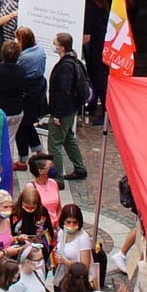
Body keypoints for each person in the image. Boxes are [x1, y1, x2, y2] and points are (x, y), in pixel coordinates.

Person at [46, 32, 90, 181]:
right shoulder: (74, 61)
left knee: (55, 144)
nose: (54, 46)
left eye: (55, 43)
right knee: (68, 138)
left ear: (62, 48)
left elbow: (63, 91)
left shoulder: (66, 66)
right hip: (71, 108)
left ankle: (57, 179)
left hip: (63, 110)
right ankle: (80, 168)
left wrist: (57, 114)